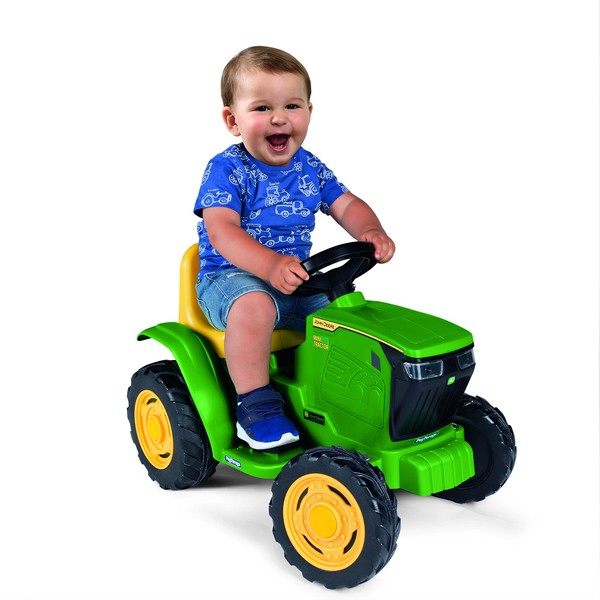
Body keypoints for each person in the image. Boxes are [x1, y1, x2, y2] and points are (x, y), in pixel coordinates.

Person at [194, 46, 395, 450]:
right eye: (262, 108)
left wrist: (370, 230)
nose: (279, 117)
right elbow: (222, 231)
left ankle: (348, 398)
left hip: (297, 280)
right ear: (233, 121)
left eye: (291, 105)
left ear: (308, 112)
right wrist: (269, 265)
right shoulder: (227, 169)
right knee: (255, 306)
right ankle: (255, 405)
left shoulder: (310, 167)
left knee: (348, 315)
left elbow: (346, 204)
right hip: (230, 279)